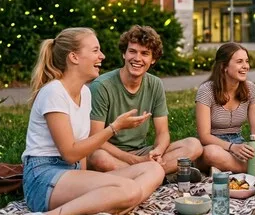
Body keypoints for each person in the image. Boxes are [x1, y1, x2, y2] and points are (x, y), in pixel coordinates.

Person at [20, 28, 165, 215]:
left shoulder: (85, 92)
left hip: (71, 175)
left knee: (155, 170)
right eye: (95, 50)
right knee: (131, 189)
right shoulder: (53, 92)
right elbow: (70, 153)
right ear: (74, 57)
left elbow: (81, 155)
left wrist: (88, 179)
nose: (102, 56)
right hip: (44, 178)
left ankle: (93, 212)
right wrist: (114, 128)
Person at [87, 25, 203, 175]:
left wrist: (158, 151)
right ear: (124, 54)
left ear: (153, 59)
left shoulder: (155, 84)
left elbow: (162, 132)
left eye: (145, 53)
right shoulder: (102, 86)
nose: (137, 58)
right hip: (111, 153)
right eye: (132, 51)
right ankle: (156, 175)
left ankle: (144, 174)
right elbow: (95, 139)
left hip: (142, 152)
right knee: (99, 158)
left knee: (194, 145)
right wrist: (135, 161)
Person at [195, 43, 255, 176]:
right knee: (210, 153)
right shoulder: (206, 90)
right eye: (239, 62)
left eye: (247, 61)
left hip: (239, 143)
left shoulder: (251, 89)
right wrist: (232, 147)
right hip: (215, 145)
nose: (245, 66)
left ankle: (228, 168)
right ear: (224, 66)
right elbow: (204, 136)